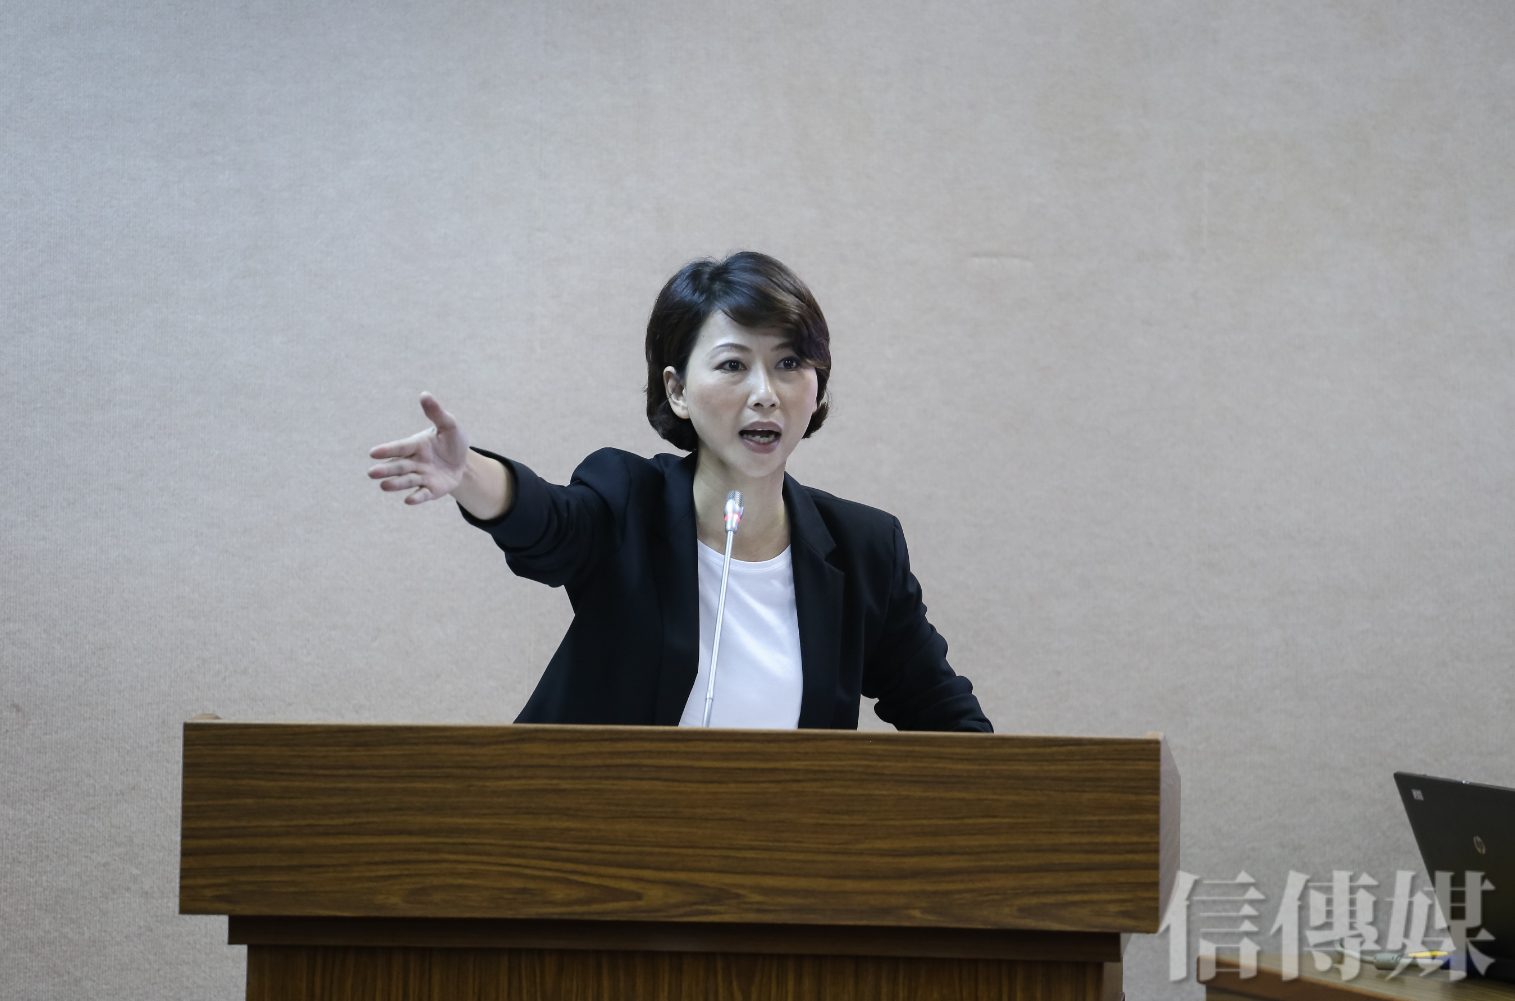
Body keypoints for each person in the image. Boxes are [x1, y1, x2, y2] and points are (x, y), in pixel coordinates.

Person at [367, 252, 991, 732]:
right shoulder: (628, 500)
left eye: (789, 364)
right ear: (677, 390)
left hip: (769, 852)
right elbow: (550, 524)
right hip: (585, 834)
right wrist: (468, 473)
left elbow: (946, 718)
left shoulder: (864, 549)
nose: (765, 393)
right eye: (733, 364)